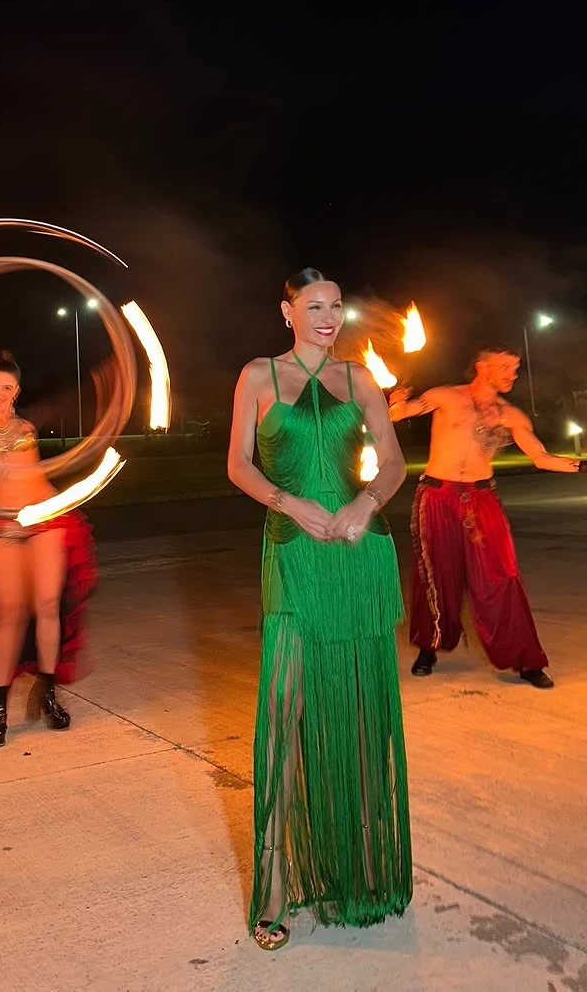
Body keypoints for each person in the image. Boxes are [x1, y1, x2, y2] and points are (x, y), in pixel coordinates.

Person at [227, 269, 412, 951]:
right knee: (283, 715)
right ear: (286, 311)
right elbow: (239, 464)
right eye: (314, 306)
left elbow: (391, 462)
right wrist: (289, 502)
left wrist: (366, 502)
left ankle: (360, 873)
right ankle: (273, 889)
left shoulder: (359, 378)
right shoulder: (257, 377)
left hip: (360, 556)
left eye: (336, 305)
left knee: (361, 720)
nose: (328, 317)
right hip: (293, 555)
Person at [389, 347, 587, 689]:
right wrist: (396, 398)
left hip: (481, 498)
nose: (513, 375)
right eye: (506, 368)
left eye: (515, 369)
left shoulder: (511, 415)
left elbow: (540, 458)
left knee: (502, 576)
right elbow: (397, 415)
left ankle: (526, 661)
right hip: (437, 495)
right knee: (435, 573)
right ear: (482, 365)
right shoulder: (445, 396)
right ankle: (429, 646)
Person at [0, 351, 96, 747]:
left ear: (18, 390)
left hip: (44, 518)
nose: (0, 393)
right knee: (9, 613)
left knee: (48, 604)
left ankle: (49, 692)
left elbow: (65, 403)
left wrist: (106, 383)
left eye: (8, 387)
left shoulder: (29, 422)